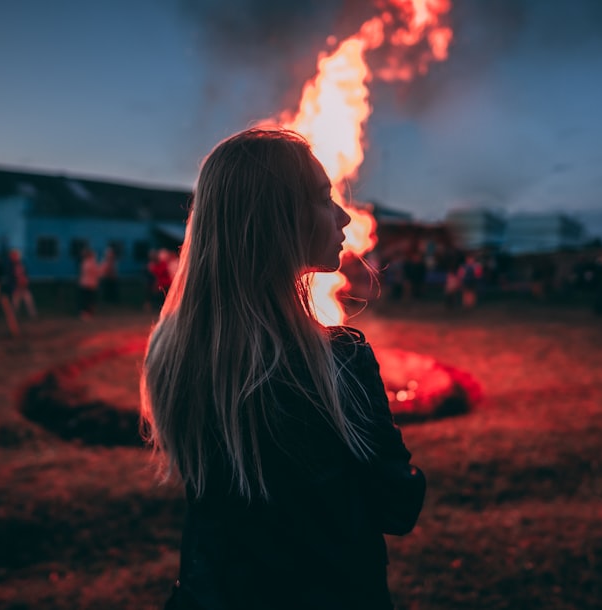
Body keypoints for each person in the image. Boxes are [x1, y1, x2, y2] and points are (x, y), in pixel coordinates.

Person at [142, 128, 426, 610]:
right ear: (274, 219)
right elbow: (396, 505)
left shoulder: (174, 352)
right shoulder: (335, 361)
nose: (343, 217)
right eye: (322, 199)